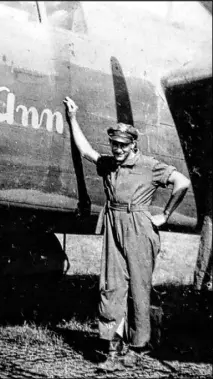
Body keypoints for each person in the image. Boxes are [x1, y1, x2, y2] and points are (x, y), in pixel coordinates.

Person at [63, 97, 191, 371]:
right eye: (114, 145)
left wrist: (165, 215)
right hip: (113, 224)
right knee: (111, 286)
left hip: (139, 227)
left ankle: (138, 346)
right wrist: (73, 118)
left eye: (123, 145)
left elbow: (182, 182)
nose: (118, 150)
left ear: (134, 144)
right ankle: (112, 348)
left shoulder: (149, 165)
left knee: (139, 289)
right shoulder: (109, 163)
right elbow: (86, 150)